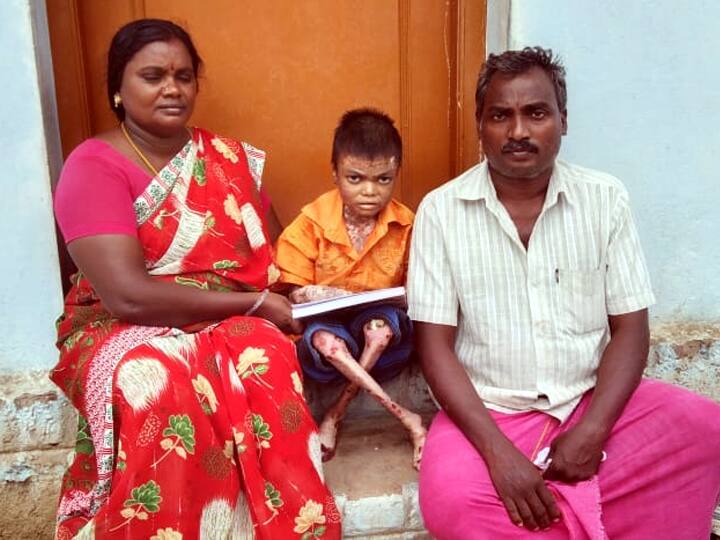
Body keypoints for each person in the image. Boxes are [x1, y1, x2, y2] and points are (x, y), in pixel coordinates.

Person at [408, 46, 720, 539]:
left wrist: (594, 431)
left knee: (705, 428)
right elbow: (433, 347)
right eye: (500, 116)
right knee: (454, 502)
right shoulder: (440, 212)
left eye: (536, 113)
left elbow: (630, 330)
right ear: (479, 125)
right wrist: (499, 455)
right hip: (491, 412)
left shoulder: (605, 199)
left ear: (563, 120)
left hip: (589, 402)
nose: (518, 132)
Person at [51, 19, 340, 539]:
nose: (172, 88)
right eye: (153, 75)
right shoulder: (93, 165)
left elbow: (273, 263)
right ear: (118, 89)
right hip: (122, 328)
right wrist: (251, 306)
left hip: (228, 317)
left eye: (183, 76)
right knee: (156, 379)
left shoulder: (225, 159)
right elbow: (127, 297)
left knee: (266, 356)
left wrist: (305, 296)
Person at [274, 109, 426, 469]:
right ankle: (407, 418)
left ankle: (335, 415)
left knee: (379, 331)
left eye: (383, 179)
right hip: (329, 339)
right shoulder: (310, 224)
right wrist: (335, 298)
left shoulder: (407, 225)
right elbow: (293, 291)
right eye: (355, 179)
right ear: (335, 173)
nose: (370, 192)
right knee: (325, 342)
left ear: (396, 173)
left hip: (384, 340)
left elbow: (420, 288)